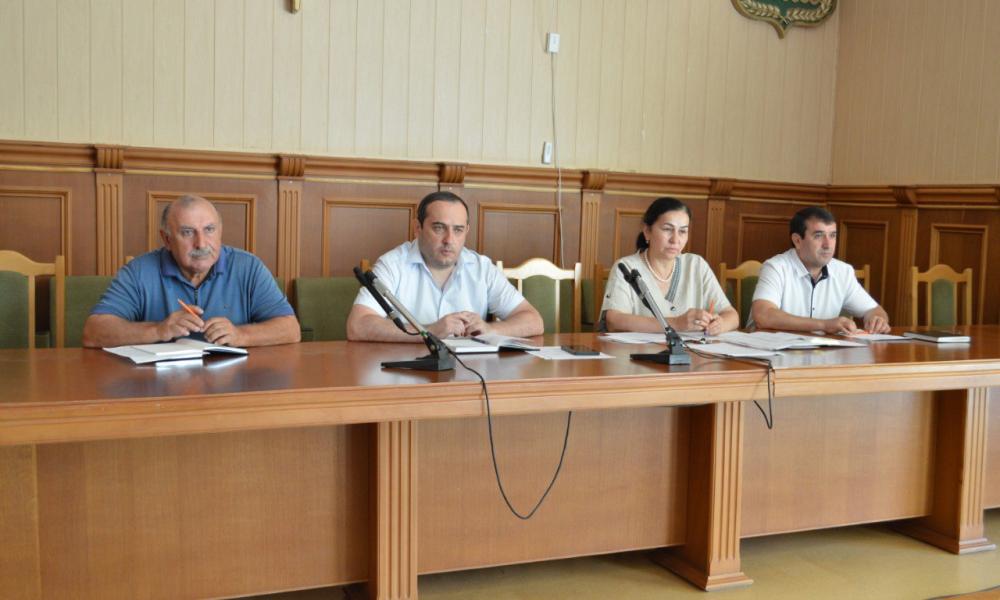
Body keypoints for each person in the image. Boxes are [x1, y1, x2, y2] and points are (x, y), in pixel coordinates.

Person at [82, 195, 300, 348]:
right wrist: (158, 330)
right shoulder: (138, 272)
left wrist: (240, 335)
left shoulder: (248, 267)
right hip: (159, 389)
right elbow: (94, 332)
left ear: (220, 232)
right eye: (187, 232)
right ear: (167, 239)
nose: (201, 243)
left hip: (232, 385)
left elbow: (290, 329)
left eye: (209, 230)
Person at [346, 191, 544, 342]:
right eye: (439, 228)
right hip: (406, 372)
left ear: (466, 231)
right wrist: (429, 331)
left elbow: (533, 321)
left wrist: (490, 329)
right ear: (418, 228)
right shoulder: (393, 264)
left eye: (458, 230)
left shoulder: (482, 268)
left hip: (470, 375)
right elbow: (358, 325)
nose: (449, 240)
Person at [600, 197, 738, 335]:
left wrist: (720, 325)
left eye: (682, 231)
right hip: (640, 349)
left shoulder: (696, 265)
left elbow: (731, 315)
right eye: (667, 229)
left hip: (691, 348)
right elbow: (613, 321)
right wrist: (676, 324)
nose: (675, 240)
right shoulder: (626, 268)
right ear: (647, 231)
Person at [749, 206, 890, 334]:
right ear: (797, 241)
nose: (827, 245)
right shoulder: (776, 267)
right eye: (818, 236)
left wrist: (878, 320)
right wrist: (823, 325)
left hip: (822, 351)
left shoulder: (843, 271)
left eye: (832, 235)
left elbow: (874, 310)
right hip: (773, 351)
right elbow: (763, 315)